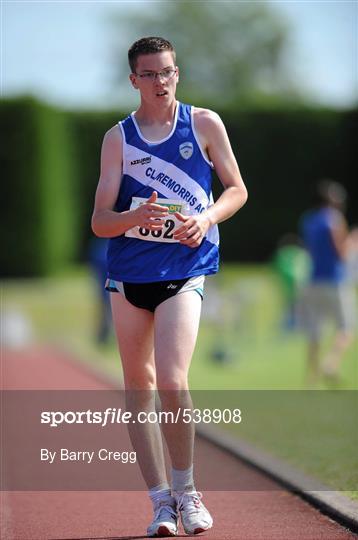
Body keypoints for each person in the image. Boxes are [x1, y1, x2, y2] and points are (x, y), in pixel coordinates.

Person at [91, 36, 247, 537]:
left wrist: (205, 218)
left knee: (174, 380)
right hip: (128, 273)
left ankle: (188, 492)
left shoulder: (203, 123)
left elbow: (237, 189)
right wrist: (132, 216)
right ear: (133, 79)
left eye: (169, 72)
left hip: (185, 266)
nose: (162, 83)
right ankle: (160, 503)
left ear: (177, 72)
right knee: (139, 386)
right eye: (151, 74)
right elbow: (98, 221)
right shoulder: (119, 138)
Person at [299, 179, 354, 384]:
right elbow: (341, 253)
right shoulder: (335, 219)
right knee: (346, 328)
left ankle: (311, 377)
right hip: (335, 280)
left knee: (314, 332)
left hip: (313, 280)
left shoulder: (309, 220)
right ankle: (330, 363)